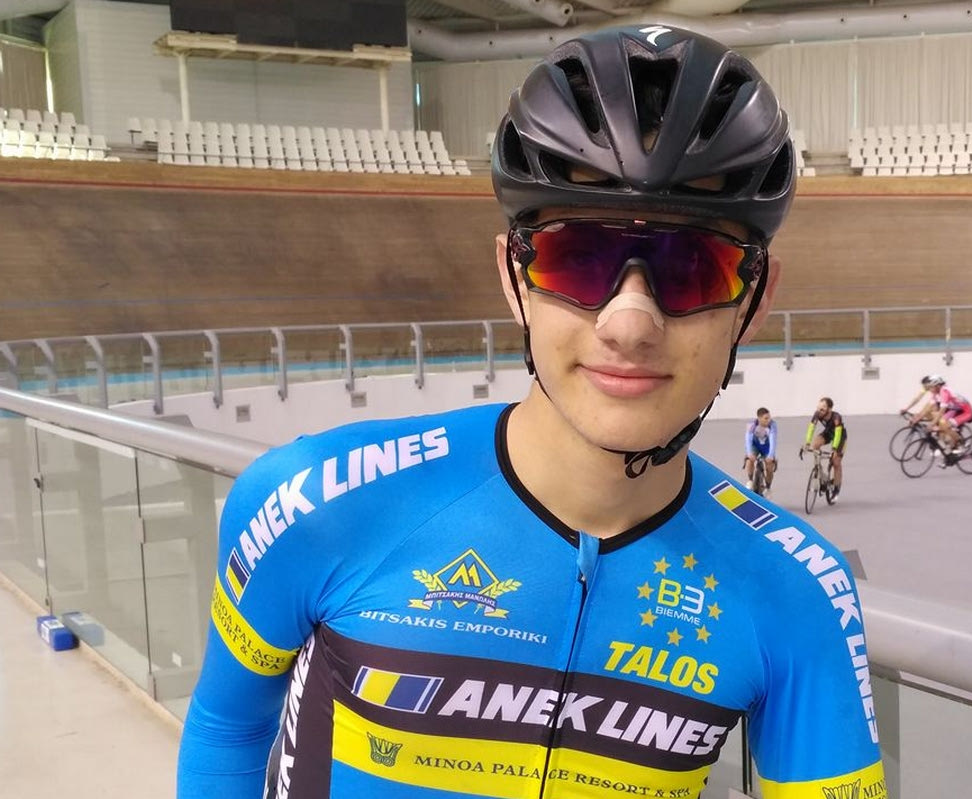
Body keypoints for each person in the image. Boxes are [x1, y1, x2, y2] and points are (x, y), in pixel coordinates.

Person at [177, 25, 887, 799]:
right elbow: (226, 728)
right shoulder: (312, 499)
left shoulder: (801, 592)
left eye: (693, 267)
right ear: (512, 277)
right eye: (577, 257)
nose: (629, 324)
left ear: (756, 298)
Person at [803, 397, 847, 503]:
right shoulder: (817, 414)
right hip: (828, 433)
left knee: (836, 462)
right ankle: (819, 470)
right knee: (815, 445)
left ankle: (836, 488)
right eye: (819, 407)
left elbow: (837, 435)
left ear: (829, 409)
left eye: (823, 408)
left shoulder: (836, 417)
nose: (820, 410)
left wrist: (834, 449)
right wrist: (807, 443)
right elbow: (811, 428)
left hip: (840, 437)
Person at [925, 375, 972, 452]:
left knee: (946, 425)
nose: (930, 389)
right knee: (941, 422)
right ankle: (949, 443)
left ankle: (961, 444)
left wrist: (932, 424)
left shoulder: (944, 392)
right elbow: (930, 407)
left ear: (937, 386)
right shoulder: (936, 393)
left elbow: (942, 411)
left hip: (966, 412)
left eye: (931, 387)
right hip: (955, 410)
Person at [744, 406, 778, 496]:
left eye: (769, 418)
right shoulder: (752, 425)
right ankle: (750, 480)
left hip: (767, 447)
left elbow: (773, 441)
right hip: (755, 446)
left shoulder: (772, 425)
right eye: (766, 418)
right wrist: (749, 453)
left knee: (770, 467)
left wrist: (770, 456)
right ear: (759, 418)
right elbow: (748, 440)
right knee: (749, 460)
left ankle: (768, 487)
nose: (768, 420)